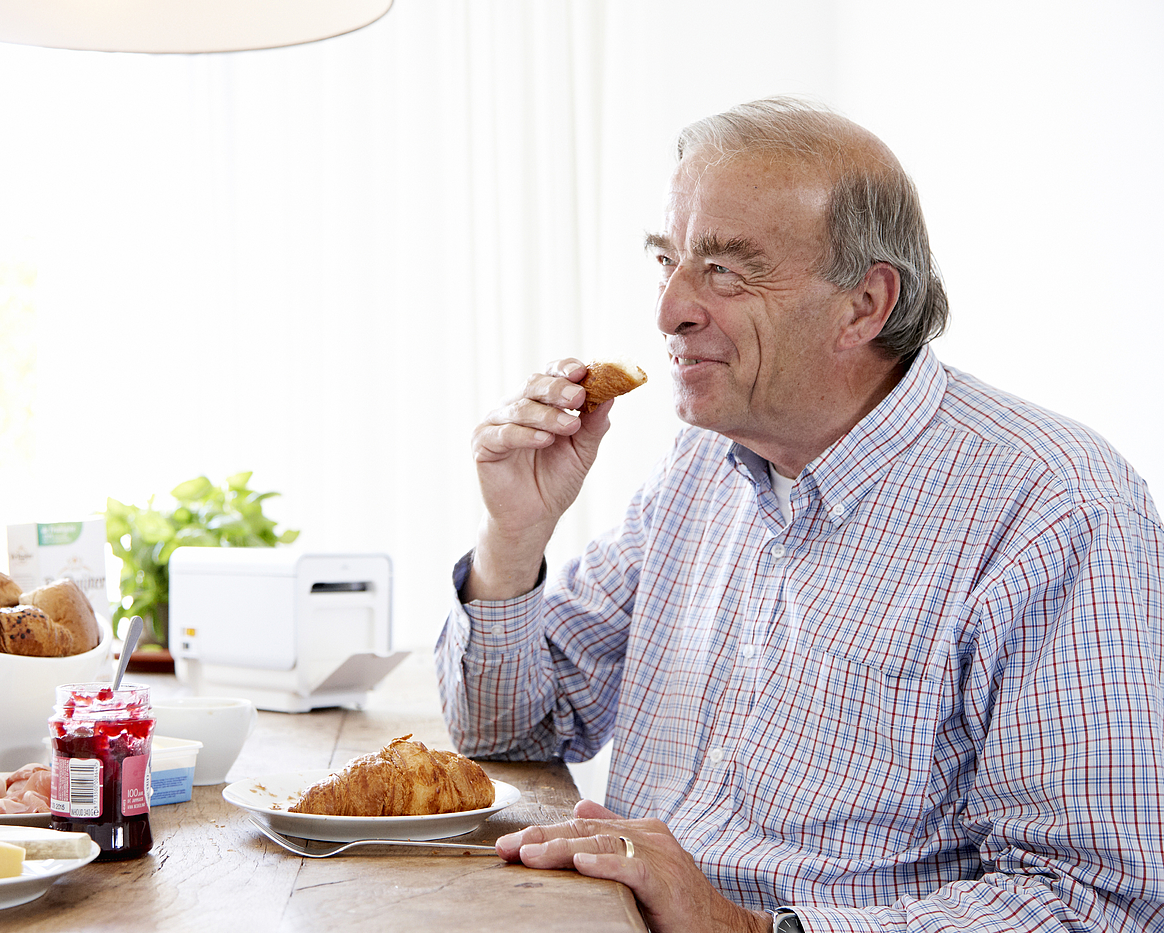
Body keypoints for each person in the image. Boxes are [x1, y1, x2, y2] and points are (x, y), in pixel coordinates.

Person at [434, 97, 1164, 933]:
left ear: (863, 305)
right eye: (667, 261)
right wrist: (514, 534)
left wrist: (744, 928)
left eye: (726, 270)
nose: (669, 310)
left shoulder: (1057, 509)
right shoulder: (702, 465)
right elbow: (518, 725)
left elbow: (1100, 901)